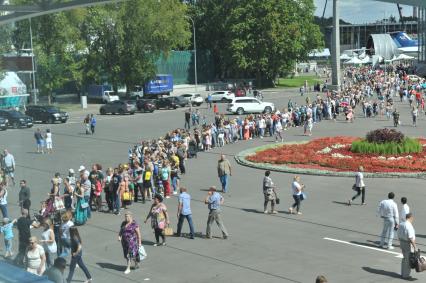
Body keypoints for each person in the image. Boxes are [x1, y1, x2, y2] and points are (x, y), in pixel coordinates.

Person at [398, 213, 416, 280]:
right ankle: (405, 275)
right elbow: (411, 237)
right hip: (407, 243)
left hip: (402, 242)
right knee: (408, 260)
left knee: (404, 258)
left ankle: (403, 273)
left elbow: (398, 234)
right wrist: (415, 247)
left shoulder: (401, 224)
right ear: (410, 217)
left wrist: (400, 243)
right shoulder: (409, 225)